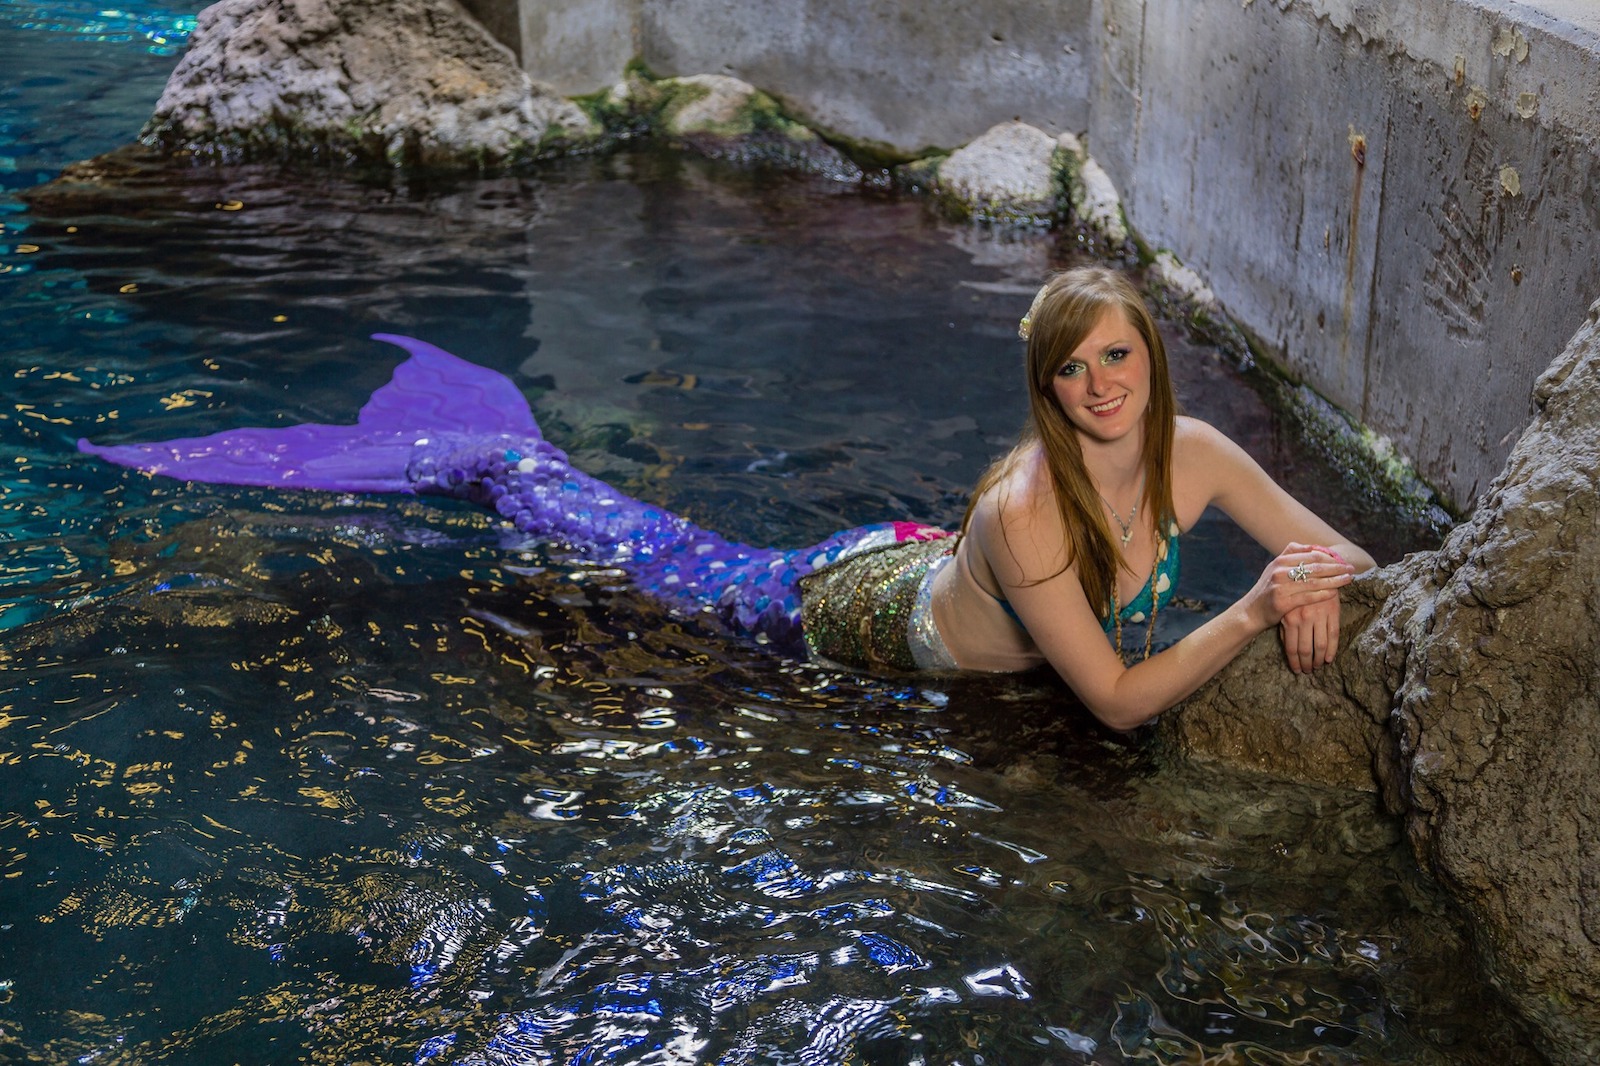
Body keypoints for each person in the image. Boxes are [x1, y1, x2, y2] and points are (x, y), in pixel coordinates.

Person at [80, 266, 1372, 730]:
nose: (1101, 385)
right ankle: (495, 459)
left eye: (1120, 357)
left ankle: (500, 457)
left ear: (1151, 358)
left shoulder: (1192, 450)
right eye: (1072, 366)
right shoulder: (1027, 510)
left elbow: (1351, 554)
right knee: (656, 564)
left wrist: (1313, 574)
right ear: (1043, 387)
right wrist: (1262, 606)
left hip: (917, 561)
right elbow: (1120, 702)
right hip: (827, 611)